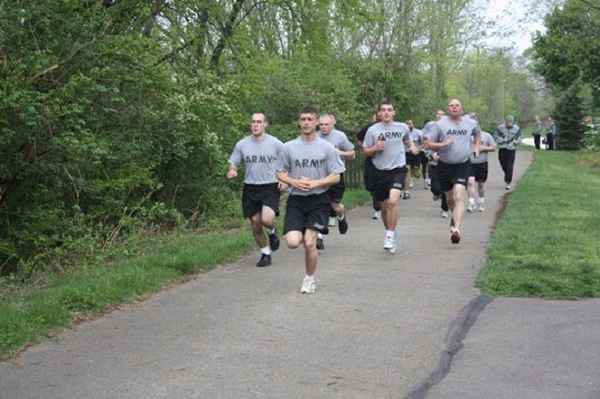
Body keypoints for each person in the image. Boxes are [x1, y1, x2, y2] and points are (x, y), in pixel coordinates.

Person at [276, 106, 344, 294]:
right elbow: (280, 172)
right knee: (291, 242)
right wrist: (294, 182)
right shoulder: (288, 147)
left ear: (316, 122)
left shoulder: (327, 148)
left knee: (309, 242)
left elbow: (336, 176)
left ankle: (309, 278)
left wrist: (316, 183)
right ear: (299, 122)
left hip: (319, 199)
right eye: (303, 119)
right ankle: (302, 232)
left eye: (310, 119)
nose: (306, 122)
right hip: (296, 200)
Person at [227, 113, 285, 267]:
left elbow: (287, 161)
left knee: (266, 219)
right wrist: (232, 170)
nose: (255, 125)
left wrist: (284, 179)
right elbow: (234, 161)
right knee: (255, 224)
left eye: (259, 122)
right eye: (253, 122)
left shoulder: (276, 143)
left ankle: (272, 231)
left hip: (270, 186)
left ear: (265, 124)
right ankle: (265, 253)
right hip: (250, 187)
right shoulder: (242, 144)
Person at [363, 101, 418, 253]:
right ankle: (390, 232)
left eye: (389, 110)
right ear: (379, 113)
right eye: (383, 110)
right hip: (379, 171)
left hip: (398, 169)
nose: (386, 112)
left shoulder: (402, 127)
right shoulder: (372, 130)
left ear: (394, 113)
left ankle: (389, 235)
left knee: (393, 201)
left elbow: (407, 140)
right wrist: (375, 148)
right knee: (384, 208)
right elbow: (365, 152)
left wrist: (412, 147)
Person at [424, 99, 480, 244]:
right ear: (448, 108)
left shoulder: (470, 122)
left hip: (462, 164)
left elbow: (477, 133)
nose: (454, 108)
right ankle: (454, 218)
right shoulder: (440, 124)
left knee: (459, 195)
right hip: (444, 165)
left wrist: (476, 147)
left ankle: (456, 229)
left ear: (462, 108)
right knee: (450, 199)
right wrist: (443, 144)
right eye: (451, 106)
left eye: (457, 105)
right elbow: (428, 144)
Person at [316, 113, 356, 250]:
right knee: (318, 204)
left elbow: (352, 154)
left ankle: (341, 216)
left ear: (332, 124)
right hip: (319, 177)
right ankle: (319, 237)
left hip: (336, 176)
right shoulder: (314, 137)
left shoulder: (340, 136)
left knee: (335, 206)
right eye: (321, 124)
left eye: (326, 124)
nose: (324, 127)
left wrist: (339, 153)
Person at [357, 111, 383, 220]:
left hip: (389, 161)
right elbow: (359, 138)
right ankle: (377, 208)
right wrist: (366, 147)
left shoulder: (394, 128)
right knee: (373, 184)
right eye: (380, 112)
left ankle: (382, 207)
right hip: (372, 158)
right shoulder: (370, 127)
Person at [424, 110, 449, 218]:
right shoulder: (430, 127)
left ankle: (444, 209)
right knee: (435, 187)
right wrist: (431, 154)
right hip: (433, 162)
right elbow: (425, 144)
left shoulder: (450, 128)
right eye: (438, 114)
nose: (440, 116)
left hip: (446, 163)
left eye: (442, 115)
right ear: (436, 116)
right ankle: (436, 193)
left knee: (445, 188)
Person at [467, 129, 496, 212]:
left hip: (482, 163)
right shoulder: (466, 136)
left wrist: (483, 148)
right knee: (470, 182)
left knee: (481, 185)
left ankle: (480, 203)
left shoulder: (486, 135)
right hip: (469, 163)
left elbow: (494, 147)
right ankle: (471, 203)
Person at [493, 115, 521, 190]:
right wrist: (502, 140)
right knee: (503, 164)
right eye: (508, 122)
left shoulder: (517, 128)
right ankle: (507, 174)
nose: (509, 124)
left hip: (511, 149)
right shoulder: (500, 128)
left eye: (511, 123)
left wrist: (516, 142)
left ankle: (508, 182)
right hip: (502, 148)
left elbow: (519, 138)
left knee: (510, 166)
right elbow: (495, 137)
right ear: (505, 122)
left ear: (513, 122)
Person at [403, 120, 424, 199]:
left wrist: (418, 149)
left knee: (415, 170)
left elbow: (423, 143)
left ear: (413, 124)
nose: (409, 125)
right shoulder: (402, 132)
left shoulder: (418, 132)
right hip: (406, 153)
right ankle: (409, 184)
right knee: (407, 168)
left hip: (416, 153)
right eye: (407, 123)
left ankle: (413, 176)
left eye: (410, 123)